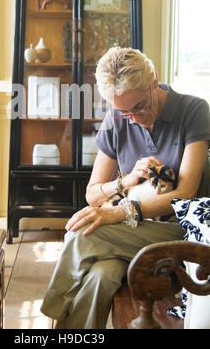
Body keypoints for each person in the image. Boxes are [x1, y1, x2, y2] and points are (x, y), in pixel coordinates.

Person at [40, 47, 210, 329]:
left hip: (180, 232)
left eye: (141, 106)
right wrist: (124, 181)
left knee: (82, 233)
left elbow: (185, 195)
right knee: (101, 276)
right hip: (132, 234)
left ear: (154, 81)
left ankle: (53, 319)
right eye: (123, 111)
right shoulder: (116, 120)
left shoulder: (194, 111)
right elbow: (93, 193)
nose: (135, 118)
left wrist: (121, 212)